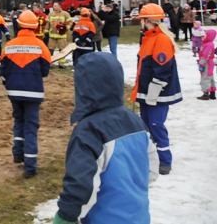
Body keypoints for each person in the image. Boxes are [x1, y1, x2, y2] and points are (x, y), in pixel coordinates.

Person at [54, 53, 158, 224]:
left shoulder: (89, 131)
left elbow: (81, 185)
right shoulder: (135, 121)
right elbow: (152, 168)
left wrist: (65, 217)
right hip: (138, 217)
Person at [0, 11, 51, 178]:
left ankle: (18, 154)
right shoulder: (40, 46)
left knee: (19, 121)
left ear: (18, 25)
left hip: (14, 92)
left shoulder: (10, 45)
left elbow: (2, 68)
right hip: (33, 92)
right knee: (31, 127)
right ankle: (30, 167)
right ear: (35, 26)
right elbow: (45, 71)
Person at [131, 3, 182, 175]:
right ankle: (150, 158)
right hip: (147, 92)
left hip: (157, 94)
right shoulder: (148, 37)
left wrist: (152, 93)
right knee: (146, 126)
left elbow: (163, 69)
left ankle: (164, 160)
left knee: (156, 125)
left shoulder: (161, 39)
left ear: (148, 20)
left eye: (142, 19)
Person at [46, 2, 72, 68]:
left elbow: (70, 22)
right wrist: (46, 31)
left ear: (59, 6)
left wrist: (65, 28)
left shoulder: (65, 14)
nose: (53, 7)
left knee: (62, 50)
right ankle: (50, 63)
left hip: (62, 36)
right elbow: (48, 23)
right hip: (52, 35)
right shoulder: (51, 14)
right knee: (50, 50)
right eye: (53, 5)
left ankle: (61, 64)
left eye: (55, 5)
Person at [197, 29, 216, 100]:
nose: (204, 36)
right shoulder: (208, 43)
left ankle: (206, 94)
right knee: (210, 77)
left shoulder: (208, 44)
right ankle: (212, 93)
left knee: (205, 78)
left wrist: (201, 63)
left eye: (206, 35)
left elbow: (205, 55)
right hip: (209, 62)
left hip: (206, 63)